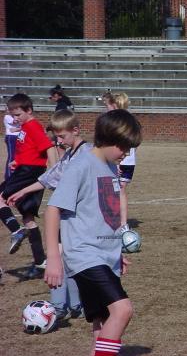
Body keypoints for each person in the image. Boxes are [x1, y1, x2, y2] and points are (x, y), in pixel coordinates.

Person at [44, 109, 142, 356]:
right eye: (124, 148)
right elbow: (53, 209)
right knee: (123, 309)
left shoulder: (109, 166)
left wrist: (116, 250)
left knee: (102, 322)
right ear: (109, 139)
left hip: (103, 256)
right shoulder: (81, 165)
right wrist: (54, 258)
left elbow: (104, 216)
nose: (126, 154)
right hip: (84, 256)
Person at [8, 109, 91, 320]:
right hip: (69, 218)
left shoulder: (88, 154)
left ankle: (64, 307)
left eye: (62, 136)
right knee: (65, 259)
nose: (59, 141)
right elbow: (50, 177)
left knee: (67, 260)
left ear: (76, 130)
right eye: (56, 137)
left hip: (82, 219)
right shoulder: (70, 155)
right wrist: (23, 190)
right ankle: (70, 306)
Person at [0, 93, 57, 279]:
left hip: (29, 172)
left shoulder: (32, 126)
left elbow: (48, 147)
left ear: (29, 110)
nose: (14, 119)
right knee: (28, 216)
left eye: (17, 115)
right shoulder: (25, 126)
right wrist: (17, 160)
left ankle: (16, 231)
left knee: (0, 197)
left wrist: (55, 172)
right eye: (12, 115)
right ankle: (40, 260)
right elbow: (30, 150)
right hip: (26, 169)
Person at [104, 93, 136, 228]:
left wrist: (116, 162)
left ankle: (122, 224)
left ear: (115, 105)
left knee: (117, 191)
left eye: (109, 105)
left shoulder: (119, 122)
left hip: (120, 161)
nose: (107, 108)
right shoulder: (131, 120)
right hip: (127, 161)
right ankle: (119, 222)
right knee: (117, 191)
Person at [3, 106, 20, 180]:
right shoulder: (7, 117)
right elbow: (15, 122)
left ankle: (15, 173)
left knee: (17, 156)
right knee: (11, 156)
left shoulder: (16, 116)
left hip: (18, 136)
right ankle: (8, 175)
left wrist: (18, 128)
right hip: (11, 137)